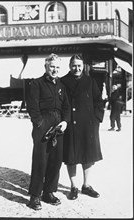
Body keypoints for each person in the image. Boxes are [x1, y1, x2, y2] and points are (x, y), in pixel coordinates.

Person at [26, 53, 70, 210]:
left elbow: (66, 106)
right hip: (43, 124)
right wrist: (39, 123)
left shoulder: (61, 86)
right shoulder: (36, 84)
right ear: (46, 67)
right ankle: (35, 196)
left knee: (56, 161)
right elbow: (32, 105)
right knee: (40, 161)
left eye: (57, 67)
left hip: (59, 125)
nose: (55, 70)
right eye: (52, 67)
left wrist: (65, 121)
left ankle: (48, 192)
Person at [61, 54, 105, 200]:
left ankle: (86, 186)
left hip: (88, 126)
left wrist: (97, 119)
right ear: (69, 66)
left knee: (88, 156)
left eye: (79, 65)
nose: (77, 68)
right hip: (70, 125)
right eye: (74, 65)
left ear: (83, 66)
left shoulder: (90, 81)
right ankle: (73, 186)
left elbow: (99, 101)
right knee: (71, 157)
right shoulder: (63, 81)